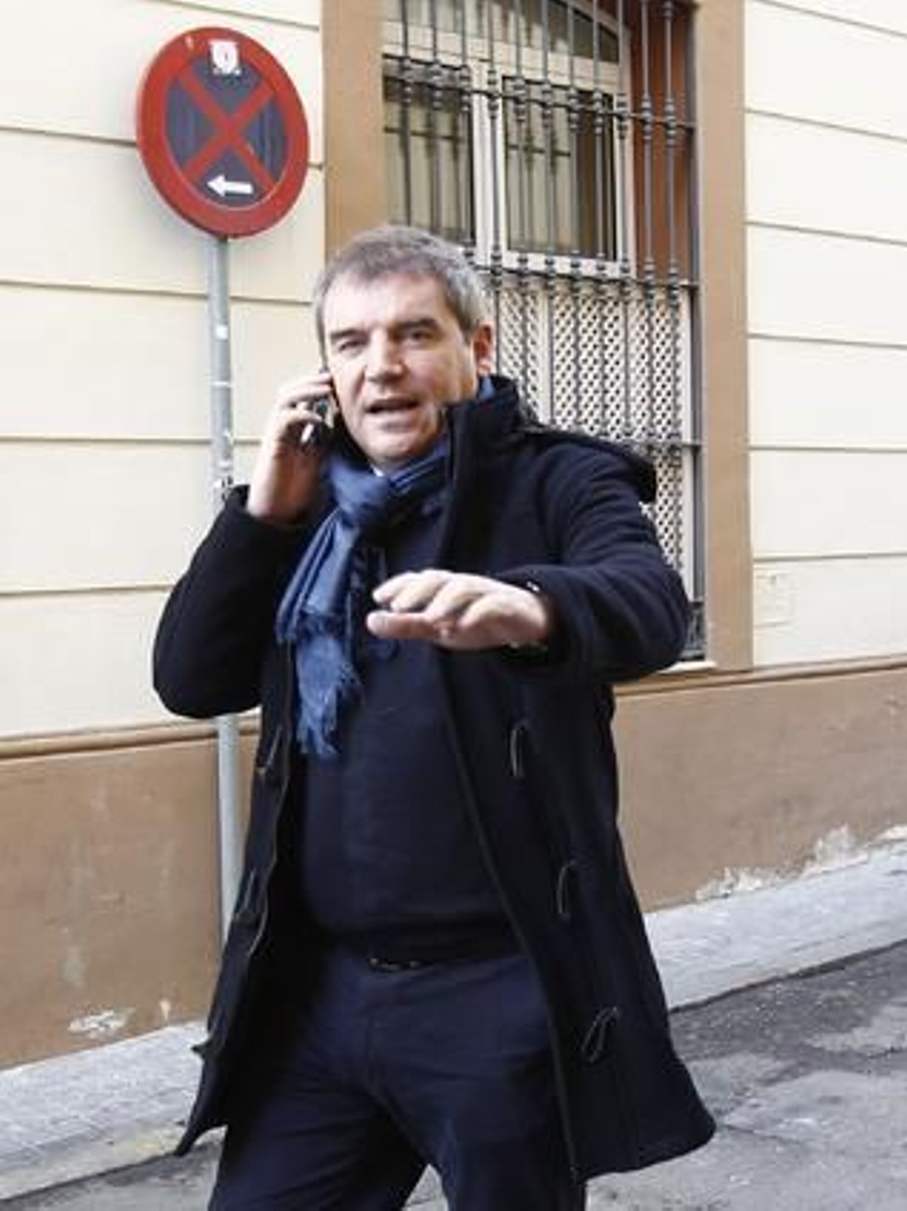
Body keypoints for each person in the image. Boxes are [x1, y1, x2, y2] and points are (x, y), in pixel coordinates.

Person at [153, 225, 714, 1208]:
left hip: (495, 995)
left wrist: (533, 608)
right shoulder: (313, 517)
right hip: (321, 997)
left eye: (413, 334)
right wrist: (262, 513)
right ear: (325, 370)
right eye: (352, 342)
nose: (382, 367)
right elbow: (192, 678)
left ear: (477, 348)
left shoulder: (556, 481)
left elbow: (649, 600)